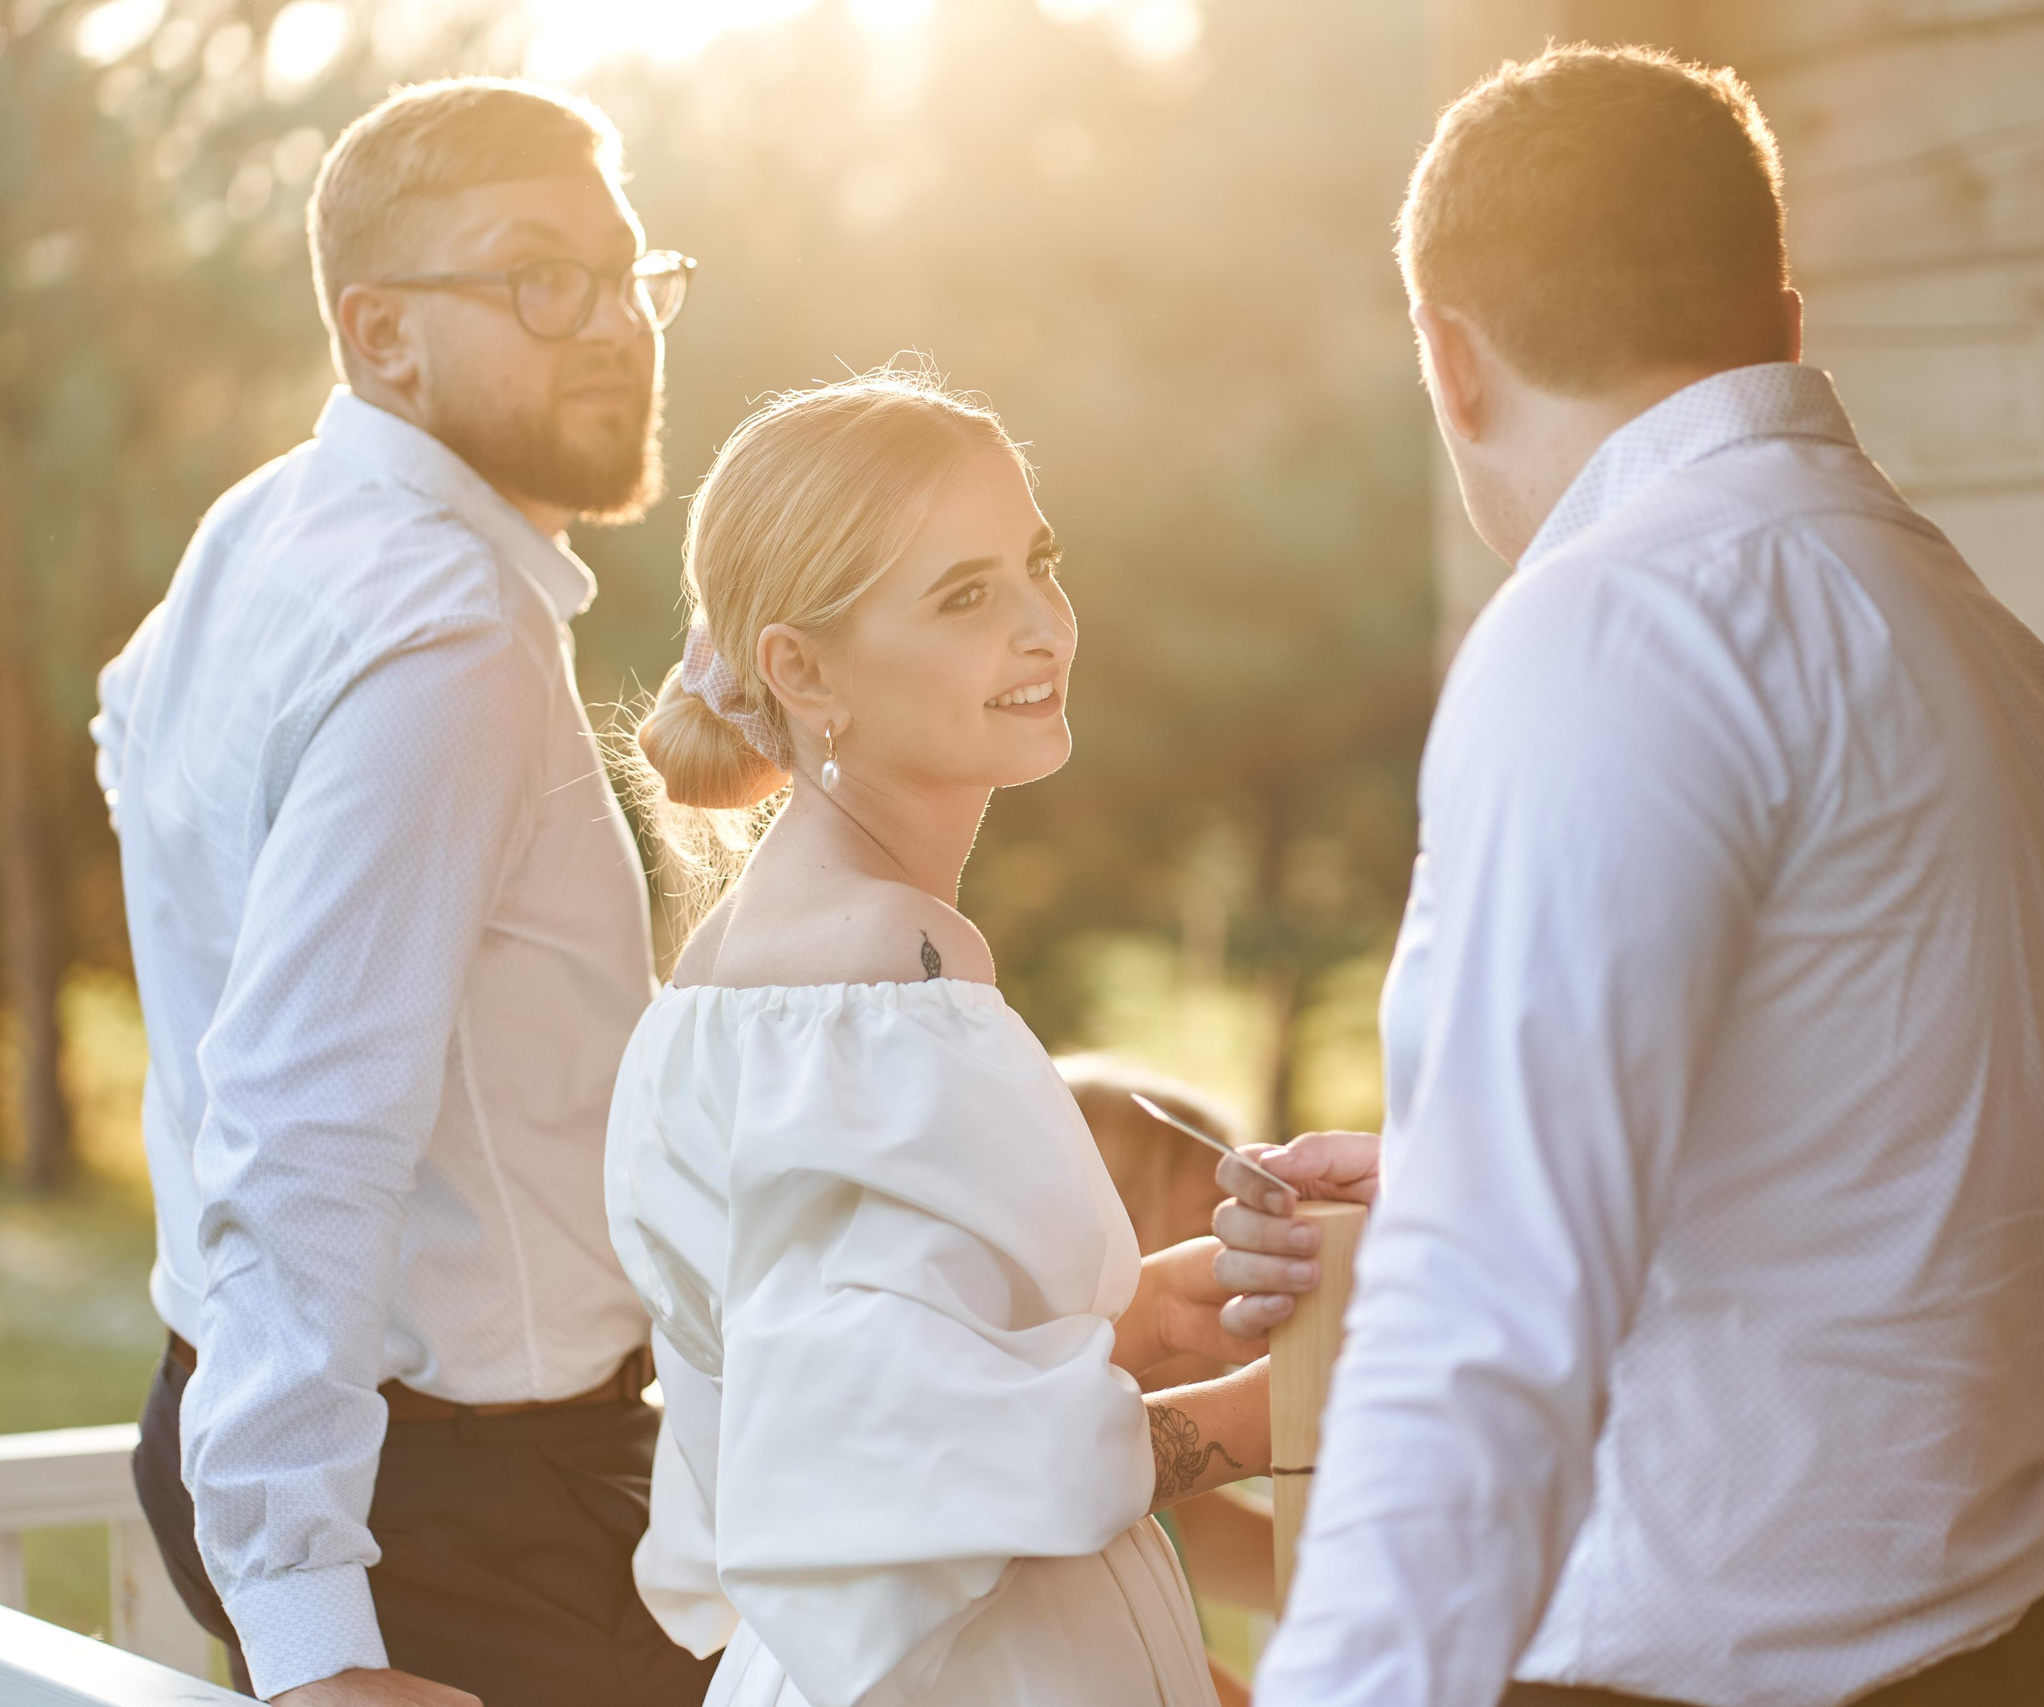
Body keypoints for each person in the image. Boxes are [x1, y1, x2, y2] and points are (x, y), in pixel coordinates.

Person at [1211, 45, 2044, 1707]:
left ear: (1450, 361)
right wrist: (1461, 1153)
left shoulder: (1617, 625)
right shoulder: (1992, 654)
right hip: (2000, 1660)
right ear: (1783, 323)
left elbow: (1484, 1329)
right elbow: (1877, 1154)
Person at [92, 79, 715, 1707]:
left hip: (250, 1411)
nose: (613, 327)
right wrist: (311, 1642)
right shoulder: (449, 636)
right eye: (537, 279)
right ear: (382, 338)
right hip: (442, 1515)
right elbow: (309, 1124)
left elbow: (126, 730)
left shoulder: (269, 525)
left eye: (629, 273)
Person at [607, 372, 1272, 1707]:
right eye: (964, 595)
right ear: (801, 668)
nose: (1042, 626)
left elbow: (848, 1369)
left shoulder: (733, 970)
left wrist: (1135, 1313)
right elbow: (891, 1464)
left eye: (1040, 564)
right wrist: (1279, 1414)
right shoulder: (883, 969)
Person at [1062, 1056, 1282, 1707]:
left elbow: (1315, 1566)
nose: (1250, 1262)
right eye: (1212, 1227)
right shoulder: (1074, 1491)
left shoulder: (1173, 1500)